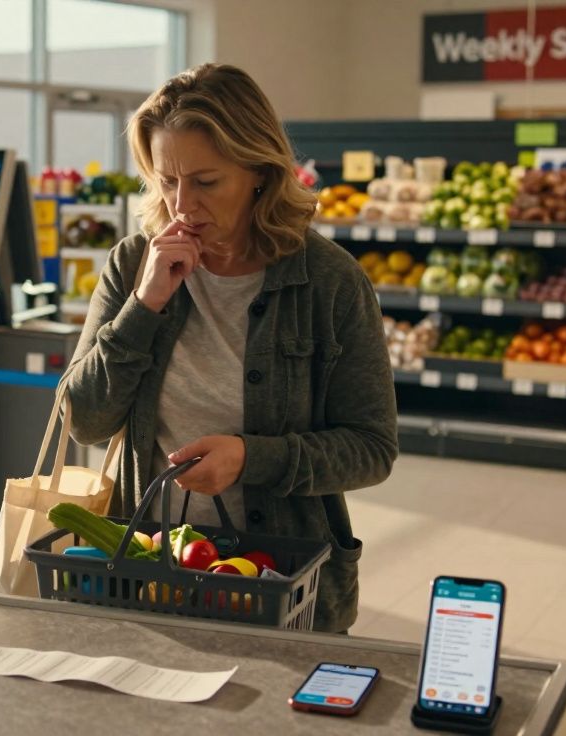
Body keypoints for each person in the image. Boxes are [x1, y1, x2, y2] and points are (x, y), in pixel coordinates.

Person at [62, 64, 397, 634]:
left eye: (206, 181)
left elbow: (371, 448)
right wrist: (145, 305)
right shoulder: (132, 264)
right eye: (166, 181)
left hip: (283, 584)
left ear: (260, 172)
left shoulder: (330, 283)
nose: (182, 205)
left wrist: (250, 458)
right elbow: (86, 422)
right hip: (149, 572)